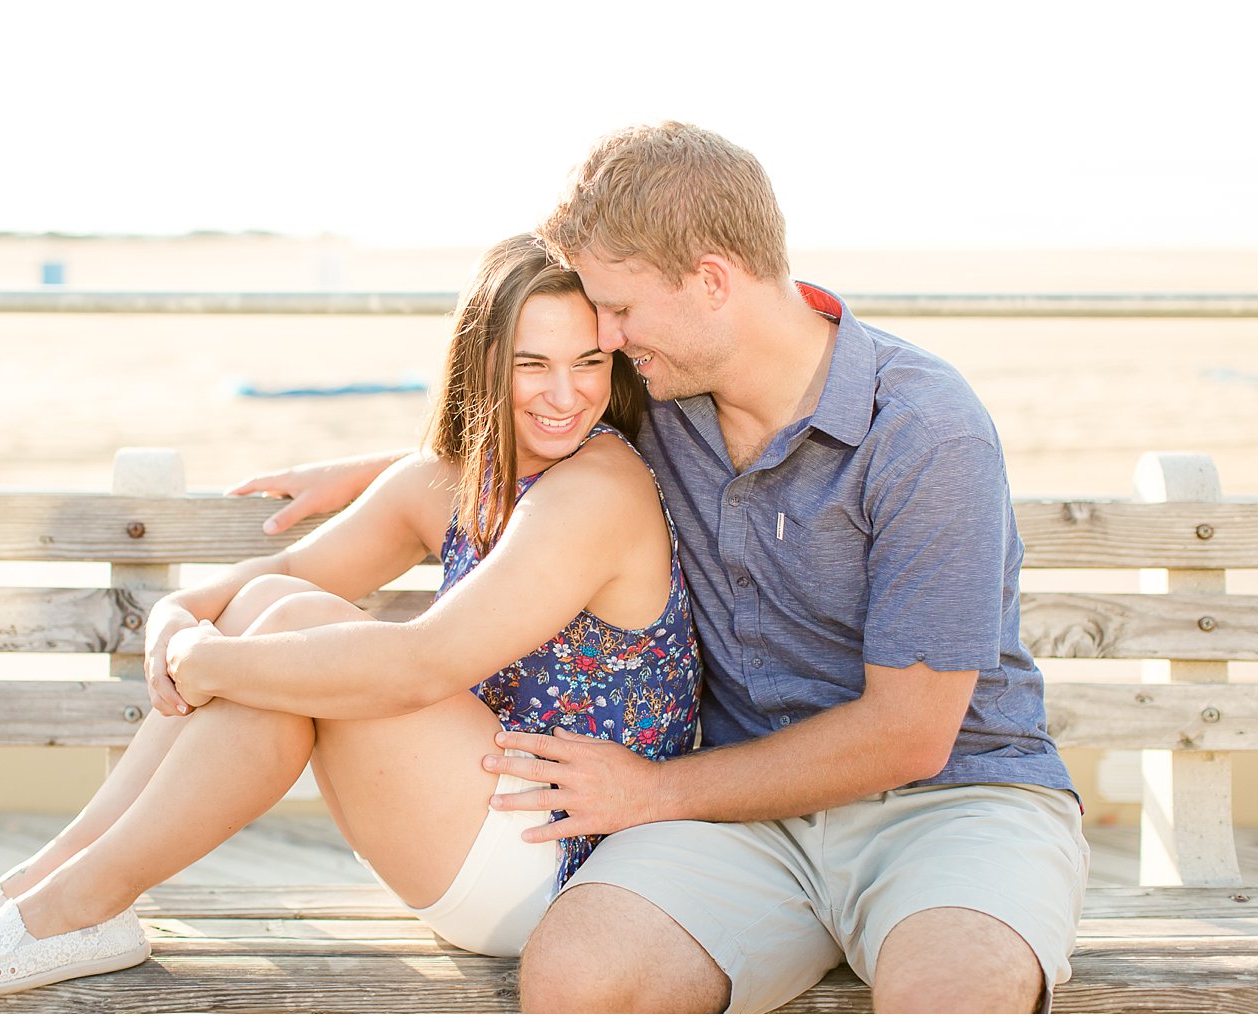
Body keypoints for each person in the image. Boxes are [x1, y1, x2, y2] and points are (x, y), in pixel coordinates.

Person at [234, 123, 1090, 1013]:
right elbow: (537, 425)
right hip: (739, 813)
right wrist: (384, 470)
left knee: (951, 995)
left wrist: (655, 789)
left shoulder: (924, 432)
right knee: (577, 975)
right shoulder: (665, 391)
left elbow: (911, 733)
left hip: (951, 803)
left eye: (619, 309)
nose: (604, 335)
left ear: (711, 281)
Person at [0, 233, 701, 998]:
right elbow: (278, 575)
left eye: (589, 361)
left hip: (562, 865)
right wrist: (178, 612)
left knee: (275, 642)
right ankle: (50, 882)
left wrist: (207, 662)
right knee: (270, 610)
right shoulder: (448, 479)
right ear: (484, 361)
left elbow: (422, 664)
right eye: (533, 364)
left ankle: (82, 902)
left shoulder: (599, 485)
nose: (567, 394)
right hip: (472, 824)